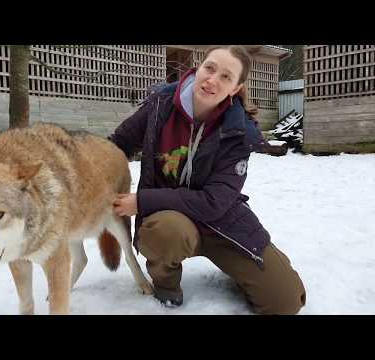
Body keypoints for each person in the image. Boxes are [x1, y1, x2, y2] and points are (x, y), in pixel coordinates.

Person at [109, 45, 306, 315]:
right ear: (199, 67)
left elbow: (215, 202)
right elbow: (116, 146)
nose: (212, 80)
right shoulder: (159, 106)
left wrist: (141, 201)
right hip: (171, 222)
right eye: (210, 68)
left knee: (284, 301)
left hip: (220, 222)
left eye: (226, 77)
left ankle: (251, 266)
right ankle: (166, 284)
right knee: (164, 231)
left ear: (236, 88)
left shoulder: (239, 132)